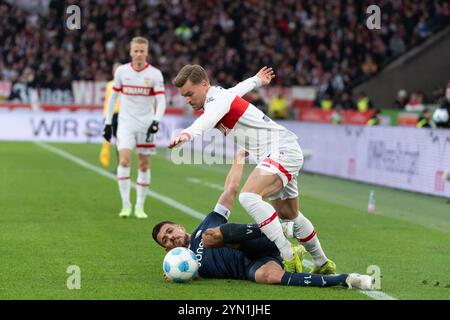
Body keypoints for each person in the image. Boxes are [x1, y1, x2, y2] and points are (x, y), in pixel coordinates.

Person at [168, 65, 335, 274]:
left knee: (248, 196)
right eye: (184, 96)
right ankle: (322, 262)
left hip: (281, 150)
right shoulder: (221, 96)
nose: (187, 100)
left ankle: (288, 253)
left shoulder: (215, 101)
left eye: (190, 93)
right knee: (288, 212)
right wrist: (256, 80)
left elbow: (207, 120)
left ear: (204, 85)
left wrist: (187, 134)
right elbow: (239, 89)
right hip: (280, 152)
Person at [152, 150, 373, 290]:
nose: (171, 238)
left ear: (180, 227)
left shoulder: (206, 225)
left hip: (256, 242)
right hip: (250, 265)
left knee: (210, 237)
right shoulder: (188, 266)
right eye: (166, 240)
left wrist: (238, 157)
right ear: (166, 251)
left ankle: (281, 231)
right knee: (271, 276)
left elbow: (230, 190)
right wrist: (177, 275)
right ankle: (346, 279)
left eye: (170, 231)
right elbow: (190, 274)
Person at [103, 37, 167, 219]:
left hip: (146, 124)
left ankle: (140, 206)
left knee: (144, 164)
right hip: (125, 123)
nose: (139, 54)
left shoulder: (155, 74)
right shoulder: (122, 72)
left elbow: (161, 100)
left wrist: (156, 120)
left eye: (142, 51)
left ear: (146, 53)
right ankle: (125, 204)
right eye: (136, 51)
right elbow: (113, 99)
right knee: (123, 161)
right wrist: (108, 123)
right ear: (130, 52)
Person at [99, 62, 121, 169]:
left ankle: (121, 166)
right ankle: (120, 166)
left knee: (119, 141)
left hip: (121, 116)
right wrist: (105, 116)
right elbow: (107, 102)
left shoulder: (124, 85)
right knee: (115, 141)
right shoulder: (109, 85)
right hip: (112, 116)